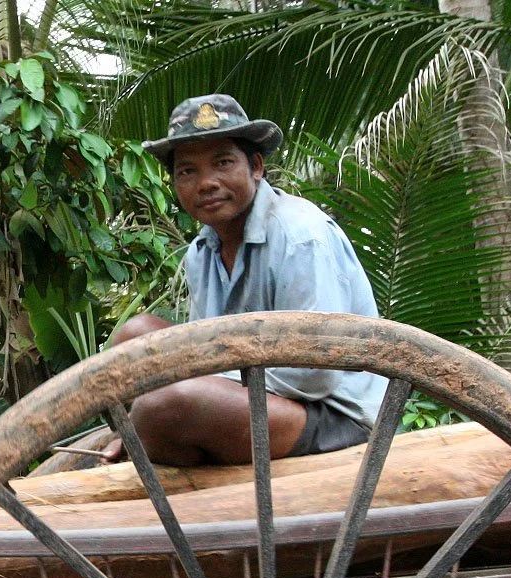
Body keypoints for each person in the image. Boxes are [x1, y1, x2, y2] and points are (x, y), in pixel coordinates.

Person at [100, 93, 387, 466]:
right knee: (133, 338)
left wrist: (194, 384)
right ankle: (152, 437)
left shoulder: (301, 236)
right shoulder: (202, 253)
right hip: (261, 401)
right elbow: (205, 346)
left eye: (223, 163)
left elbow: (316, 374)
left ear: (256, 167)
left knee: (164, 406)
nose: (206, 183)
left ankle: (160, 438)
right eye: (187, 171)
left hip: (333, 415)